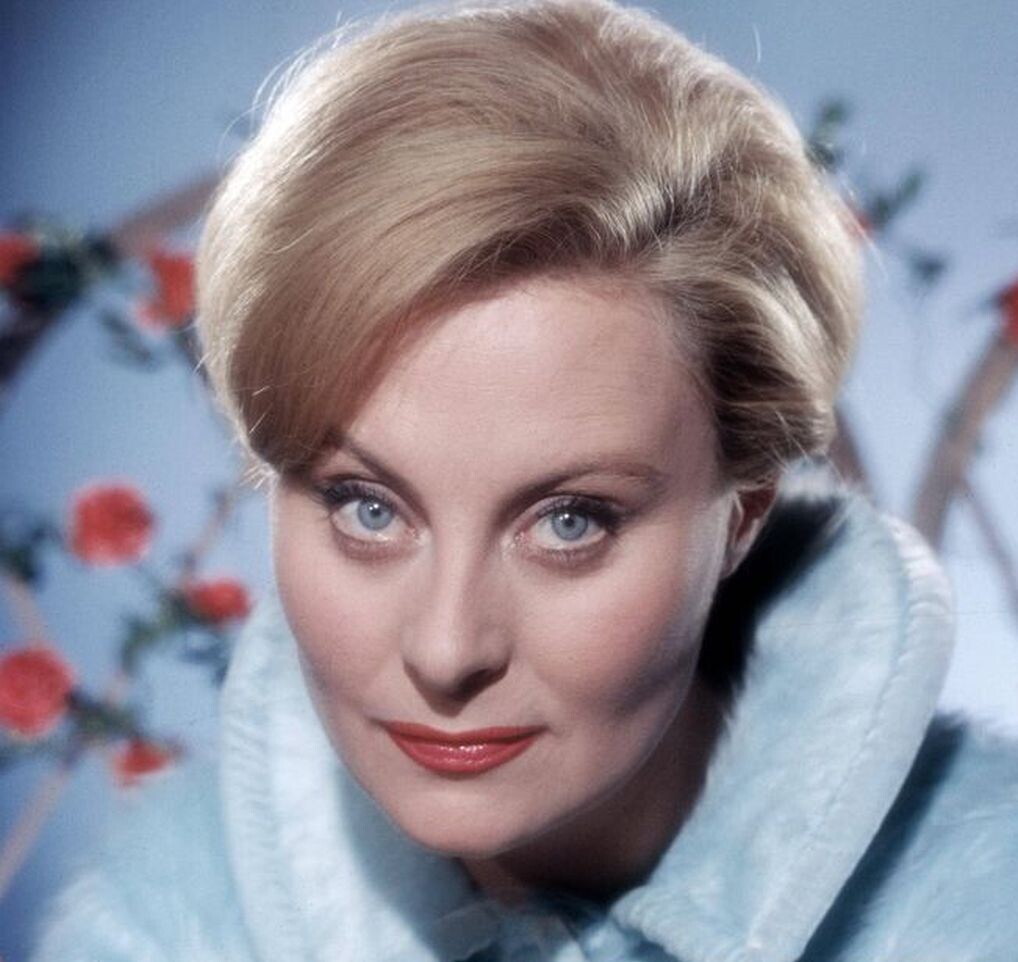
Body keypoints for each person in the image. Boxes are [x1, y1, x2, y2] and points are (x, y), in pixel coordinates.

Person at [34, 0, 1018, 959]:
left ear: (743, 513)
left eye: (569, 522)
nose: (446, 649)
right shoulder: (163, 925)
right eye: (366, 508)